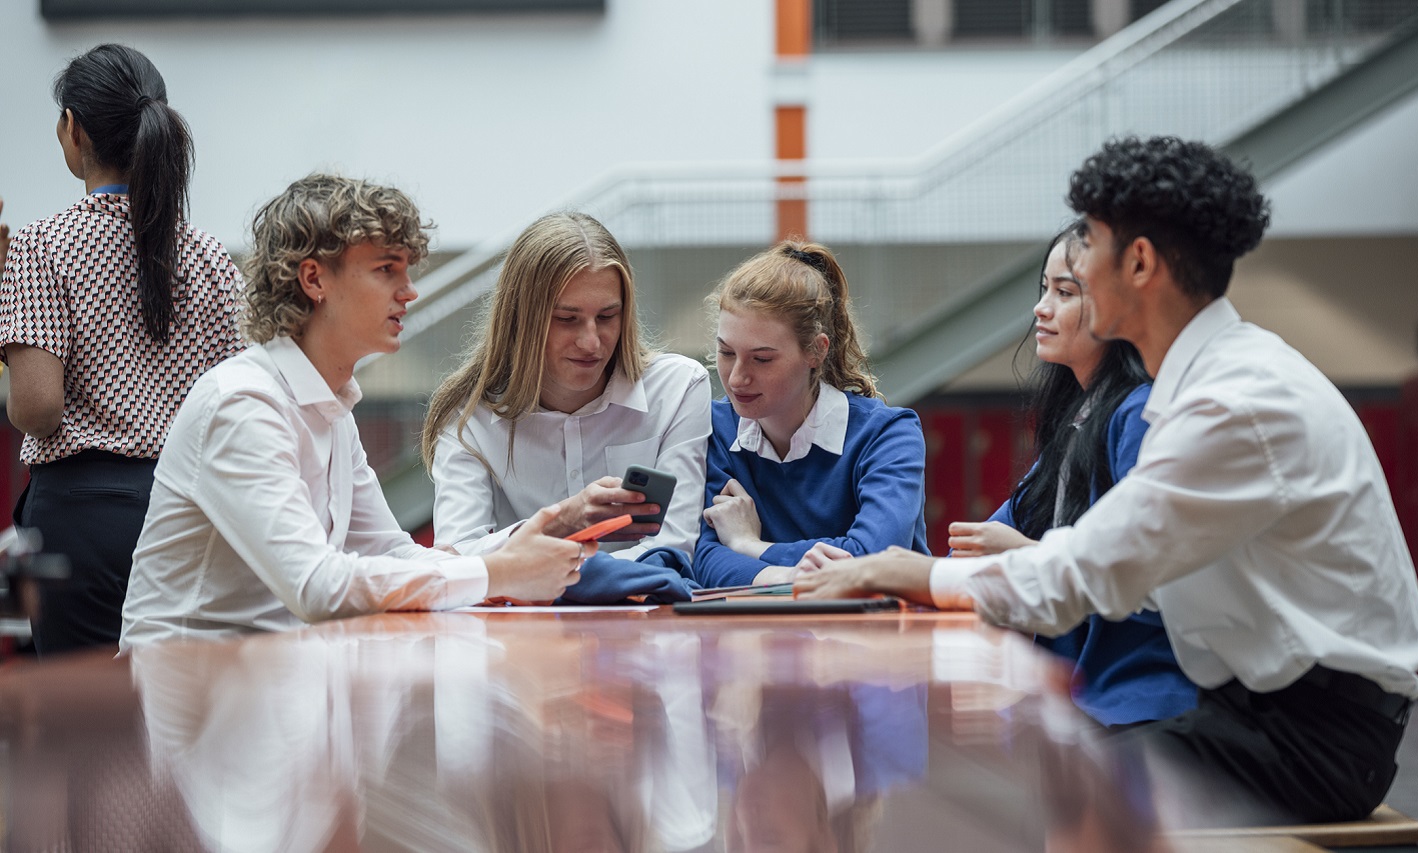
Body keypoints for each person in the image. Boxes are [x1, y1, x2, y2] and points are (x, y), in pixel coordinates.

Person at [795, 136, 1418, 825]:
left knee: (1053, 785)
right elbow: (1091, 561)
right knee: (1032, 768)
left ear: (1138, 262)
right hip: (1256, 705)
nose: (1070, 268)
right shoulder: (1204, 382)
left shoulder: (1235, 401)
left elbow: (1080, 575)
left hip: (1314, 736)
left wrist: (901, 569)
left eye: (1087, 247)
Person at [119, 175, 586, 650]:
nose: (410, 291)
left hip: (267, 679)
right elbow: (317, 587)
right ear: (314, 278)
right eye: (387, 269)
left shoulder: (330, 403)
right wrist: (498, 571)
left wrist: (522, 540)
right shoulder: (242, 403)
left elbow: (392, 552)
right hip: (185, 695)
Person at [0, 44, 244, 655]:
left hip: (82, 522)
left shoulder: (42, 247)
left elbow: (36, 410)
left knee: (88, 729)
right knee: (183, 721)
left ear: (72, 129)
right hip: (193, 517)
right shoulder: (212, 257)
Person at [946, 223, 1195, 729]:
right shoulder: (1080, 418)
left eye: (1064, 292)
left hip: (1139, 700)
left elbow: (1145, 583)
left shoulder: (1139, 414)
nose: (1041, 308)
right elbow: (968, 551)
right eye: (1044, 289)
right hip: (1075, 695)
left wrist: (1021, 552)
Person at [422, 212, 711, 601]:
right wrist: (563, 523)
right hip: (521, 647)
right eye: (566, 319)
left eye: (607, 316)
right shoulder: (468, 413)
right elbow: (455, 564)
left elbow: (674, 550)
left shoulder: (678, 388)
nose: (591, 342)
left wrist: (526, 571)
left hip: (642, 633)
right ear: (521, 319)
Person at [692, 241, 927, 590]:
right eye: (726, 353)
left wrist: (748, 545)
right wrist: (788, 577)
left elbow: (873, 556)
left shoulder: (888, 434)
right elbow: (702, 558)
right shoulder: (714, 429)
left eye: (762, 359)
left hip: (880, 635)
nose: (737, 377)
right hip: (760, 637)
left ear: (816, 351)